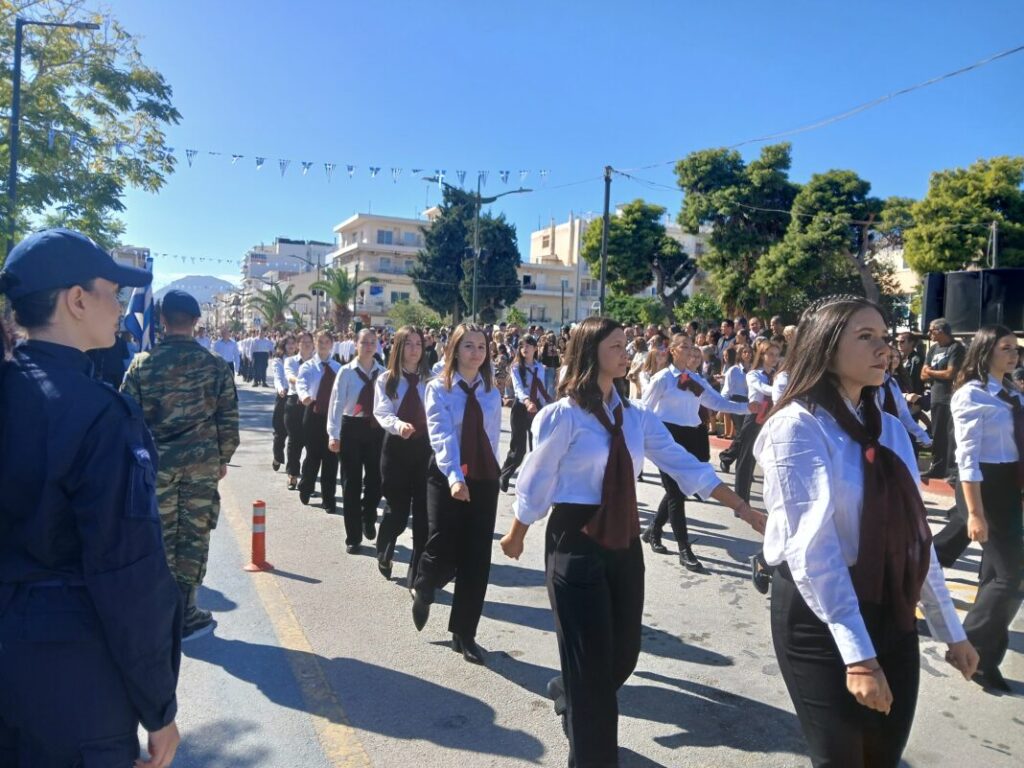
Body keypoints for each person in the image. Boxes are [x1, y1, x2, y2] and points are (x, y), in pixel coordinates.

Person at [499, 317, 765, 767]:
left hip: (623, 538)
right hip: (576, 539)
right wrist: (518, 531)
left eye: (626, 346)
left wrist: (743, 507)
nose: (627, 354)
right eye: (616, 346)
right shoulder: (562, 416)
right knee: (592, 672)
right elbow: (536, 479)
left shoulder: (636, 417)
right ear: (590, 353)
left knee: (623, 654)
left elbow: (685, 464)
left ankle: (571, 690)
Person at [755, 295, 978, 768]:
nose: (884, 349)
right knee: (841, 758)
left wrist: (951, 630)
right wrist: (859, 657)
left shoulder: (890, 429)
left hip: (889, 603)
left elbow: (915, 540)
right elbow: (814, 552)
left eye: (884, 337)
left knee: (884, 754)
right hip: (820, 613)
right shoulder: (796, 427)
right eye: (865, 337)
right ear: (825, 347)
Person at [0, 229, 182, 767]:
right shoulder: (100, 415)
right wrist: (159, 707)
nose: (121, 306)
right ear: (77, 300)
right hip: (71, 680)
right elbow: (128, 574)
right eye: (113, 292)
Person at [122, 289, 240, 641]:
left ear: (161, 320)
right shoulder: (215, 365)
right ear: (196, 321)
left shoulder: (142, 365)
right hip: (202, 464)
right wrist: (222, 458)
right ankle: (186, 612)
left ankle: (159, 612)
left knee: (159, 534)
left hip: (156, 466)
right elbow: (228, 420)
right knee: (193, 535)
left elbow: (125, 420)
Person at [933, 326, 1022, 692]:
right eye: (1006, 348)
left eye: (1015, 348)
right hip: (985, 485)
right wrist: (974, 512)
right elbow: (967, 459)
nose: (1014, 354)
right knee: (1012, 577)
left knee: (994, 575)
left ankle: (985, 660)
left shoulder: (1011, 392)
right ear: (986, 351)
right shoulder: (972, 395)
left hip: (1010, 485)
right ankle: (968, 644)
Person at [411, 324, 502, 666]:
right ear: (453, 350)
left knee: (477, 556)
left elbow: (491, 437)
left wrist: (489, 473)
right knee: (442, 540)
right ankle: (425, 585)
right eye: (468, 346)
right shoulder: (439, 388)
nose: (476, 353)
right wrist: (454, 477)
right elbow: (442, 435)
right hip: (446, 472)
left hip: (482, 476)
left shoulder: (490, 391)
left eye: (481, 347)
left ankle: (464, 633)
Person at [640, 333, 752, 572]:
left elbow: (717, 403)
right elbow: (643, 411)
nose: (691, 350)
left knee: (679, 491)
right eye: (684, 346)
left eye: (692, 346)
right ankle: (684, 549)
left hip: (692, 436)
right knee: (675, 493)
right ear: (672, 351)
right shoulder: (662, 378)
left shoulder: (693, 379)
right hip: (668, 437)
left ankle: (654, 529)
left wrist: (747, 408)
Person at [374, 326, 433, 584]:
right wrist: (399, 426)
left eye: (418, 344)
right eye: (408, 344)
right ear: (398, 347)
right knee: (397, 509)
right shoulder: (387, 379)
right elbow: (382, 411)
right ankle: (385, 549)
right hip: (396, 447)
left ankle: (416, 572)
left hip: (424, 448)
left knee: (422, 512)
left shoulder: (431, 380)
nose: (414, 349)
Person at [328, 329, 386, 552]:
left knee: (375, 481)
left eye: (372, 342)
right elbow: (336, 404)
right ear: (356, 345)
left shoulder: (383, 373)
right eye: (364, 342)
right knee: (351, 483)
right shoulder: (346, 372)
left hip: (375, 430)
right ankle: (353, 536)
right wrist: (334, 434)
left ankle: (368, 516)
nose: (369, 346)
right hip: (351, 428)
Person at [499, 335, 554, 493]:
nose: (525, 349)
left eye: (528, 345)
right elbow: (518, 388)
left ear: (535, 348)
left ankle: (534, 481)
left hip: (537, 408)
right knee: (519, 448)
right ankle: (504, 475)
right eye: (522, 346)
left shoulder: (540, 368)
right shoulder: (516, 367)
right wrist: (527, 402)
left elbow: (542, 390)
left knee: (537, 446)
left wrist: (548, 406)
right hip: (521, 408)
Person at [296, 332, 341, 510]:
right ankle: (306, 487)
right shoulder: (308, 366)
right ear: (315, 343)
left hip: (332, 413)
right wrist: (305, 396)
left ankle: (329, 499)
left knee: (331, 457)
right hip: (313, 411)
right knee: (313, 454)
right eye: (320, 341)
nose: (323, 345)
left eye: (327, 341)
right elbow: (301, 383)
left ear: (332, 344)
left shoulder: (338, 368)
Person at [922, 318, 965, 480]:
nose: (929, 334)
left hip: (951, 397)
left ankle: (952, 470)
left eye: (931, 330)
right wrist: (932, 373)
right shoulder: (933, 349)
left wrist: (931, 372)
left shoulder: (956, 348)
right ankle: (938, 467)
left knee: (952, 434)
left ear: (940, 331)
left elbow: (950, 373)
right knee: (938, 433)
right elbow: (922, 375)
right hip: (936, 397)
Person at [284, 332, 314, 491]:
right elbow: (290, 377)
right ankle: (293, 474)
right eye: (303, 342)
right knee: (294, 440)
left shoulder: (318, 362)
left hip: (312, 404)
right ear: (297, 344)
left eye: (309, 342)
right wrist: (303, 382)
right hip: (295, 402)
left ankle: (308, 479)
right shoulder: (290, 361)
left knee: (312, 443)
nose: (307, 344)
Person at [271, 337, 295, 472]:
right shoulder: (279, 360)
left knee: (295, 435)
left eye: (293, 343)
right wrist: (280, 389)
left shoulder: (300, 360)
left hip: (296, 397)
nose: (291, 346)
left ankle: (293, 468)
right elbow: (278, 378)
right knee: (280, 432)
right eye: (288, 343)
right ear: (283, 346)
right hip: (283, 396)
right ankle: (277, 456)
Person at [721, 344, 752, 440]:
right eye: (745, 352)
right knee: (740, 431)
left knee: (748, 433)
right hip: (737, 401)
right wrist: (721, 406)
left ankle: (735, 449)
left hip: (751, 402)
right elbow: (727, 389)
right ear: (740, 354)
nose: (747, 354)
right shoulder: (734, 370)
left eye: (750, 352)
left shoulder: (754, 370)